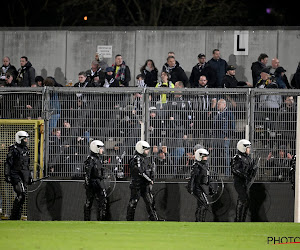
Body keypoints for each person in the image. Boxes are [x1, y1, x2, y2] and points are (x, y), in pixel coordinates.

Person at [126, 140, 158, 221]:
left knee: (150, 202)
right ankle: (129, 220)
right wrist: (149, 180)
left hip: (144, 184)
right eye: (146, 149)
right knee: (134, 202)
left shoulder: (145, 159)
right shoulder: (137, 159)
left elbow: (148, 170)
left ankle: (154, 219)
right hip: (137, 184)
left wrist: (150, 178)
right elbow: (140, 172)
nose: (147, 151)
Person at [4, 131, 33, 220]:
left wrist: (29, 176)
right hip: (15, 174)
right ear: (20, 139)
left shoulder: (26, 149)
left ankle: (17, 216)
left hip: (23, 174)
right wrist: (7, 174)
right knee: (21, 194)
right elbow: (8, 163)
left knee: (22, 196)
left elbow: (27, 164)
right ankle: (13, 216)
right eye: (25, 139)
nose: (26, 140)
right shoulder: (13, 149)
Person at [231, 139, 256, 222]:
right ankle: (238, 220)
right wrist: (244, 175)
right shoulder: (237, 157)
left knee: (244, 201)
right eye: (248, 148)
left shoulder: (248, 158)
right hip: (239, 182)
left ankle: (241, 220)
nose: (249, 149)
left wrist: (252, 171)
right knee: (243, 199)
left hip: (244, 182)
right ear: (243, 148)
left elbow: (249, 170)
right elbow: (235, 169)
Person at [83, 140, 107, 221]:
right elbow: (87, 174)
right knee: (89, 202)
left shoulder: (98, 159)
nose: (102, 150)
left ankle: (101, 219)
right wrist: (88, 184)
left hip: (98, 182)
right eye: (101, 148)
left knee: (103, 201)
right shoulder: (90, 160)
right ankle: (86, 219)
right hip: (93, 183)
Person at [187, 148, 213, 222]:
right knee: (204, 204)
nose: (206, 158)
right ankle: (199, 220)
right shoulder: (197, 166)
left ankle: (200, 220)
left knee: (203, 204)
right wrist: (191, 188)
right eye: (204, 156)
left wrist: (210, 187)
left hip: (203, 187)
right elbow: (193, 178)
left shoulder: (205, 165)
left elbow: (207, 177)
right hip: (198, 188)